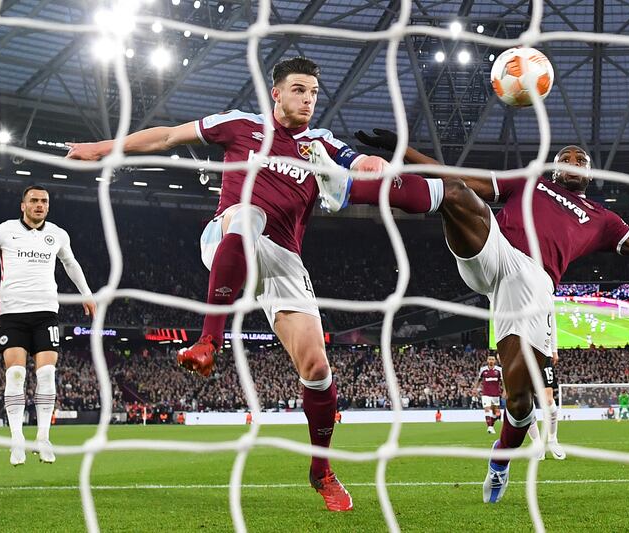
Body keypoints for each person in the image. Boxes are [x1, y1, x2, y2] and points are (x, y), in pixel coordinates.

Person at [313, 128, 629, 504]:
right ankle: (349, 186)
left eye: (581, 158)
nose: (574, 161)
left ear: (589, 173)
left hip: (533, 284)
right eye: (566, 155)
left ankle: (501, 461)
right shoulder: (530, 182)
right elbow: (457, 175)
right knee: (453, 193)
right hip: (495, 251)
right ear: (555, 166)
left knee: (520, 402)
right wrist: (402, 149)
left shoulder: (604, 220)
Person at [65, 56, 387, 512]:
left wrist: (371, 160)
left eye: (314, 93)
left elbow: (356, 162)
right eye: (298, 90)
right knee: (246, 215)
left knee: (316, 370)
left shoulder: (321, 143)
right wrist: (102, 148)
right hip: (228, 234)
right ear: (276, 93)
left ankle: (322, 470)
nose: (308, 100)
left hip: (284, 262)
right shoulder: (239, 126)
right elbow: (167, 136)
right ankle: (208, 341)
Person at [0, 185, 96, 466]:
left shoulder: (57, 234)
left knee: (47, 374)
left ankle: (43, 438)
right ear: (23, 205)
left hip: (46, 312)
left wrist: (87, 294)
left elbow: (71, 263)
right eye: (33, 200)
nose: (39, 205)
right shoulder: (4, 230)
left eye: (44, 201)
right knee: (16, 376)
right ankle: (17, 439)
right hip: (12, 314)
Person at [473, 354, 503, 434]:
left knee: (495, 413)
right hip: (486, 393)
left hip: (496, 394)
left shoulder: (499, 370)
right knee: (487, 409)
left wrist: (505, 391)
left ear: (495, 361)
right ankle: (489, 427)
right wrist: (475, 389)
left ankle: (492, 425)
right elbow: (479, 380)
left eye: (492, 359)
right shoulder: (483, 369)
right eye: (489, 359)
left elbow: (503, 382)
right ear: (487, 360)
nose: (491, 361)